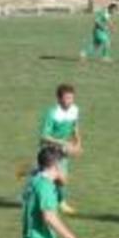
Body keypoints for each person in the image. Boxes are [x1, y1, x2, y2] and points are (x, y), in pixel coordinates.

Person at [39, 84, 82, 215]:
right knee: (59, 178)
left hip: (63, 150)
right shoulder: (52, 113)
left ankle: (28, 170)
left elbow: (75, 127)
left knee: (57, 177)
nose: (69, 101)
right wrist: (63, 143)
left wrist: (78, 143)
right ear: (58, 99)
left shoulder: (74, 110)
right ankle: (61, 203)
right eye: (66, 98)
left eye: (71, 98)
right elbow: (44, 136)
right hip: (50, 149)